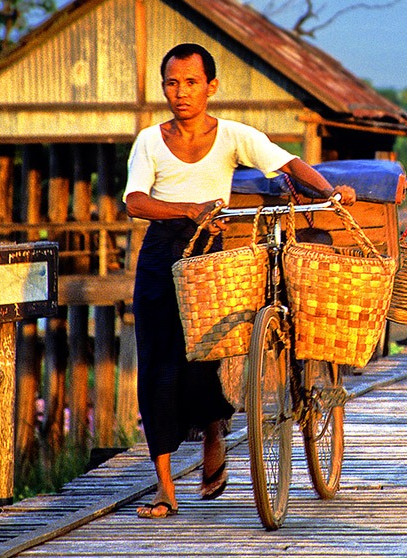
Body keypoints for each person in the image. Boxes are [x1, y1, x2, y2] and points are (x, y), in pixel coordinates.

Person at [123, 43, 355, 519]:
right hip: (159, 254)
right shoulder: (150, 139)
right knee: (157, 366)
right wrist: (186, 209)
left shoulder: (232, 135)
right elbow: (135, 201)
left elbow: (287, 164)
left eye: (191, 83)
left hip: (210, 253)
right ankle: (164, 486)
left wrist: (331, 193)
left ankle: (214, 429)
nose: (180, 93)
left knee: (204, 356)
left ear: (210, 87)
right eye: (171, 83)